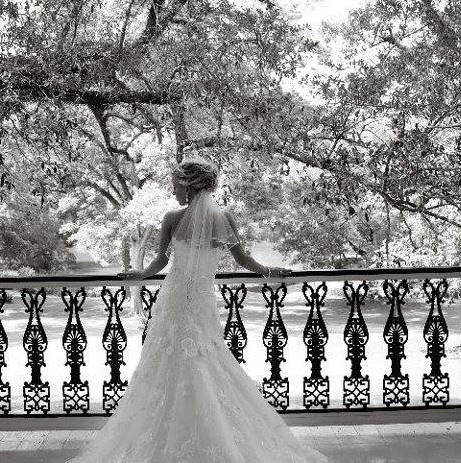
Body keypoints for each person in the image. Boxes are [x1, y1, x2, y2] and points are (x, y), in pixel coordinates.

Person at [68, 158, 329, 463]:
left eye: (176, 185)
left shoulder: (180, 218)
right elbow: (238, 261)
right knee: (192, 361)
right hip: (190, 303)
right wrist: (139, 275)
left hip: (180, 301)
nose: (173, 190)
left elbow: (170, 263)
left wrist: (270, 271)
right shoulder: (215, 218)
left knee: (191, 360)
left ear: (189, 187)